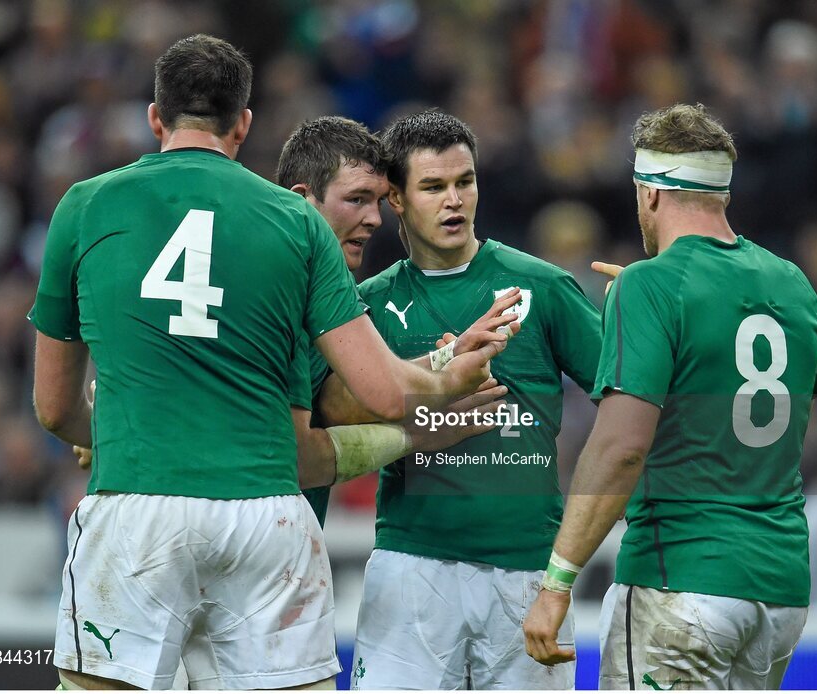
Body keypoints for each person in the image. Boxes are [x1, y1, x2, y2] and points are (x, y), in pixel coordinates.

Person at [30, 36, 502, 691]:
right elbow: (383, 390)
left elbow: (53, 408)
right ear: (244, 124)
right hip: (266, 516)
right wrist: (450, 371)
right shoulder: (296, 223)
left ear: (155, 118)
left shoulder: (84, 204)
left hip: (135, 508)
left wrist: (110, 433)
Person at [522, 103, 817, 690]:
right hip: (780, 589)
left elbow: (620, 450)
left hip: (683, 577)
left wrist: (557, 581)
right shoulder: (793, 284)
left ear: (650, 193)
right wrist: (662, 318)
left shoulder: (651, 284)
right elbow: (791, 417)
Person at [334, 109, 602, 689]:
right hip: (411, 564)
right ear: (397, 201)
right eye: (433, 186)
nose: (455, 200)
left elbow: (628, 397)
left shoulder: (545, 287)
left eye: (465, 182)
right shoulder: (364, 307)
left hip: (527, 569)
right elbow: (327, 417)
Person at [274, 115, 520, 527]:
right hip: (254, 531)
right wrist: (425, 432)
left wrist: (451, 354)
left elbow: (338, 397)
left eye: (379, 200)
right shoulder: (290, 288)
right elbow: (300, 460)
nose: (374, 218)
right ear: (303, 198)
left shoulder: (301, 278)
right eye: (357, 199)